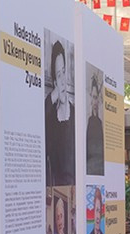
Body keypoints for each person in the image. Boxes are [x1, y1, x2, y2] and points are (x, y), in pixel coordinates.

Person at [45, 40, 75, 186]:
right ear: (55, 82)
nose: (63, 80)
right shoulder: (51, 118)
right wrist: (53, 96)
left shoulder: (75, 114)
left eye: (63, 72)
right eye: (58, 75)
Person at [86, 69, 104, 176]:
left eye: (96, 97)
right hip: (91, 170)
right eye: (93, 97)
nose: (95, 101)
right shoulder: (89, 122)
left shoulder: (100, 122)